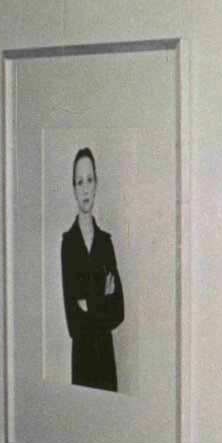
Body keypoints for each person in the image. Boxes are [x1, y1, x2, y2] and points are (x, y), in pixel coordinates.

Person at [60, 146, 124, 390]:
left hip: (107, 360)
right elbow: (73, 323)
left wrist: (88, 304)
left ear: (96, 184)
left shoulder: (106, 244)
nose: (85, 188)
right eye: (79, 182)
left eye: (89, 180)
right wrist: (102, 301)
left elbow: (119, 311)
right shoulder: (68, 244)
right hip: (82, 362)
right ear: (74, 190)